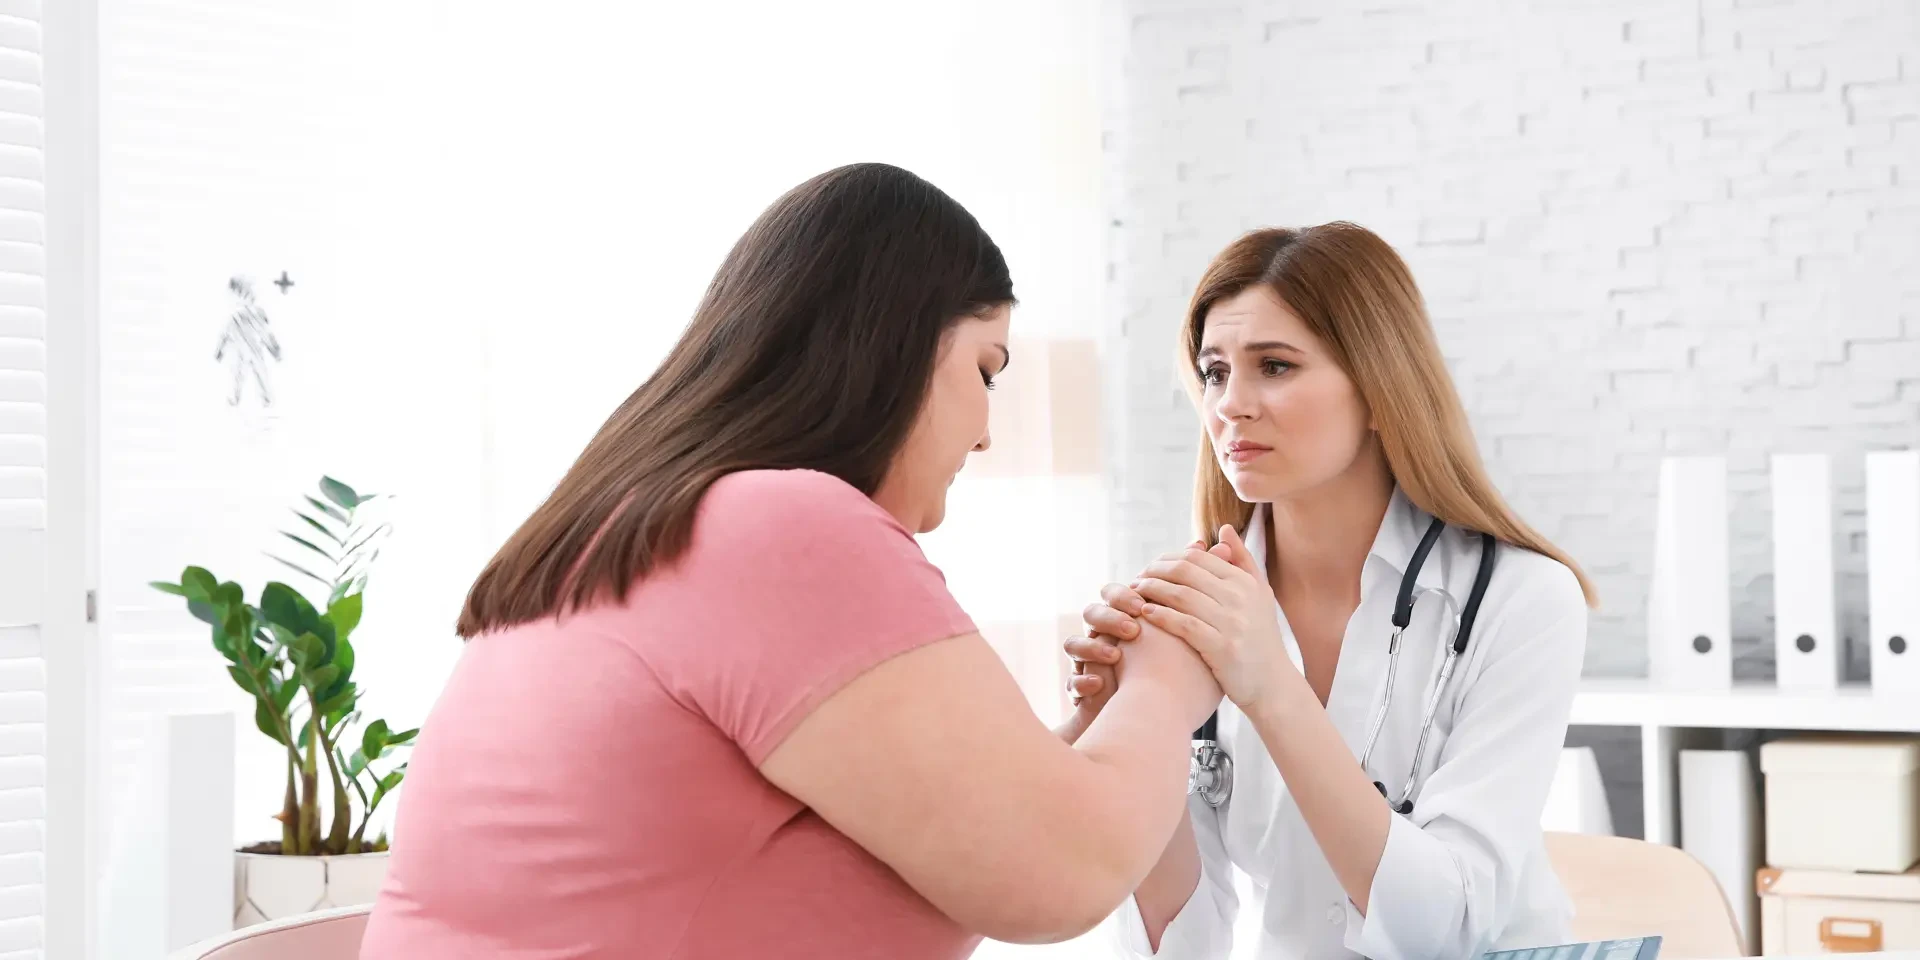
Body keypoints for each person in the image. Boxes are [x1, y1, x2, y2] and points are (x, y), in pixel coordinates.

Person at [358, 163, 1222, 959]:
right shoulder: (777, 526)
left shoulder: (632, 530)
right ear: (894, 342)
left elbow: (949, 831)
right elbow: (1059, 873)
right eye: (985, 370)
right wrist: (1174, 672)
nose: (987, 431)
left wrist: (1087, 750)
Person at [1064, 222, 1596, 960]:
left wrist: (1272, 689)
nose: (1230, 405)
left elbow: (1443, 930)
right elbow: (1190, 943)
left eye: (1275, 367)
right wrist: (1133, 734)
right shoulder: (1191, 610)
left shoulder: (1523, 599)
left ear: (1381, 388)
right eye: (1215, 371)